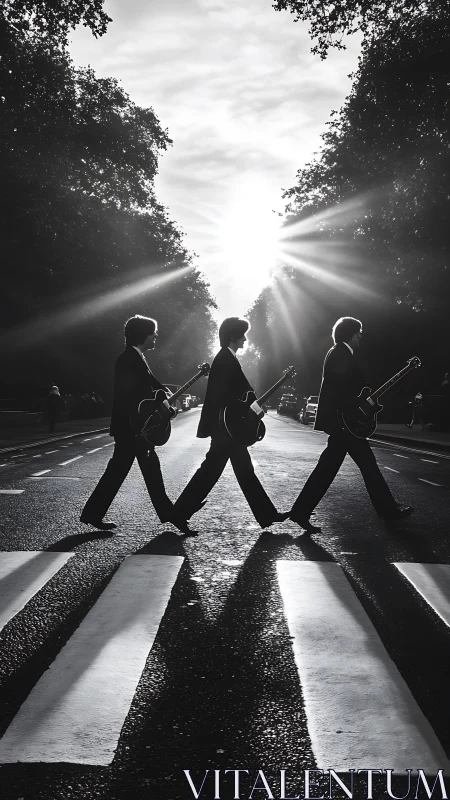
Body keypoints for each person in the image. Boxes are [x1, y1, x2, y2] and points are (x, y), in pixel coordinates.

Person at [289, 317, 413, 533]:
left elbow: (350, 387)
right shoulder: (341, 354)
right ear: (352, 334)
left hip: (343, 423)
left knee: (333, 469)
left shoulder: (338, 352)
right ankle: (388, 510)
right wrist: (358, 408)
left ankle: (301, 511)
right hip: (345, 423)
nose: (361, 337)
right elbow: (342, 390)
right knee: (365, 467)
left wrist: (367, 401)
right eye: (359, 333)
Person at [80, 315, 193, 533]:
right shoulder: (128, 359)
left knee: (121, 471)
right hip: (132, 428)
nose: (156, 336)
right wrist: (158, 398)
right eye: (153, 333)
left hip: (134, 428)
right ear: (144, 335)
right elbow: (132, 394)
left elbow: (148, 387)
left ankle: (93, 514)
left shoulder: (136, 357)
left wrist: (163, 396)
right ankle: (173, 516)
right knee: (147, 472)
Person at [174, 317, 289, 529]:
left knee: (239, 471)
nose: (245, 339)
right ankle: (179, 511)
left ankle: (266, 515)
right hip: (226, 428)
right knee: (216, 471)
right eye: (242, 334)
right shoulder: (225, 359)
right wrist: (246, 406)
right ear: (232, 337)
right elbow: (223, 395)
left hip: (227, 428)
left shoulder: (228, 357)